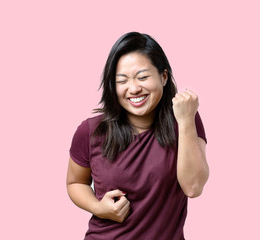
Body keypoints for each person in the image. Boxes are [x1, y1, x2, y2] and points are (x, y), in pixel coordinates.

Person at [67, 32, 209, 240]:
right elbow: (75, 183)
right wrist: (98, 208)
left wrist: (186, 120)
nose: (133, 89)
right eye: (122, 80)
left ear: (164, 76)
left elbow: (194, 187)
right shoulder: (90, 131)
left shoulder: (185, 120)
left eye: (143, 77)